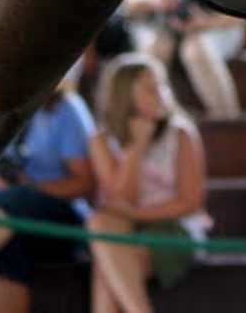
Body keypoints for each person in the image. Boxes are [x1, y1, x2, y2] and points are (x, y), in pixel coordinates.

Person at [87, 53, 209, 313]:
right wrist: (136, 147)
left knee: (109, 268)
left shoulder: (181, 134)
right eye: (151, 89)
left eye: (163, 85)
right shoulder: (101, 139)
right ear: (125, 96)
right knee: (100, 224)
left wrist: (138, 214)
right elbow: (120, 199)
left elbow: (190, 203)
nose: (162, 94)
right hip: (127, 225)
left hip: (172, 226)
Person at [0, 60, 96, 313]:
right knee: (7, 256)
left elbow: (86, 183)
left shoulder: (66, 109)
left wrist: (32, 186)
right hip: (3, 215)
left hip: (52, 213)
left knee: (4, 211)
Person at [120, 0, 246, 119]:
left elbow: (243, 14)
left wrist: (204, 23)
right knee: (155, 49)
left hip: (216, 28)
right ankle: (166, 119)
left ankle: (227, 119)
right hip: (162, 31)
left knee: (195, 49)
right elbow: (129, 1)